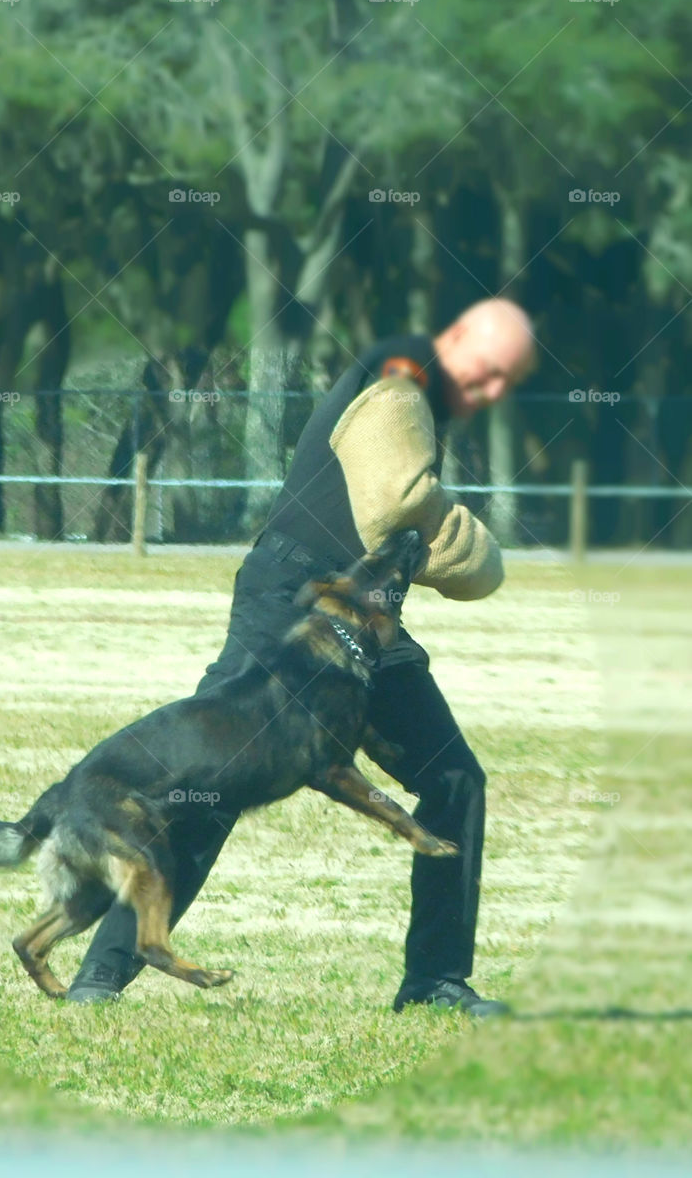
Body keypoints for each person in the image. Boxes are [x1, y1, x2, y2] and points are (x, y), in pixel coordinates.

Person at [67, 297, 536, 1016]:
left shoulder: (424, 398)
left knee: (454, 779)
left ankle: (434, 981)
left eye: (512, 381)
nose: (496, 391)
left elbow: (400, 520)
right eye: (493, 369)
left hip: (366, 620)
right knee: (212, 786)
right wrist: (471, 546)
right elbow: (394, 501)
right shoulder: (400, 368)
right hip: (287, 604)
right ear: (458, 336)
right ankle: (100, 978)